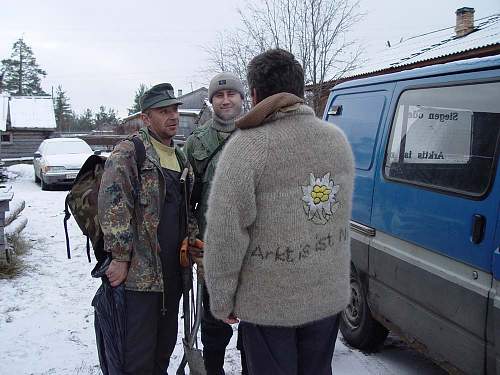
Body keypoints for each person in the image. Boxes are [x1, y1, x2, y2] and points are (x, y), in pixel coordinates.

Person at [203, 49, 355, 375]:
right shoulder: (337, 140)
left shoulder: (247, 147)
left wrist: (221, 299)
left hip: (271, 305)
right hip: (326, 297)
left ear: (255, 94)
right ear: (300, 91)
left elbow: (224, 234)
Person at [98, 83, 193, 374]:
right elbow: (113, 204)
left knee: (163, 349)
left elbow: (186, 208)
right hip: (139, 276)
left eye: (174, 109)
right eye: (163, 111)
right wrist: (120, 257)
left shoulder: (179, 156)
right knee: (136, 357)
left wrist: (193, 239)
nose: (173, 116)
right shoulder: (130, 152)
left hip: (172, 274)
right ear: (146, 118)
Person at [184, 72, 248, 375]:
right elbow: (184, 201)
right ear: (211, 102)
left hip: (253, 245)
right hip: (212, 246)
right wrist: (193, 239)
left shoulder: (258, 135)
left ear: (242, 98)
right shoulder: (197, 142)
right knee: (214, 319)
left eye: (231, 94)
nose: (225, 100)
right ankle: (214, 370)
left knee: (255, 317)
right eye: (219, 96)